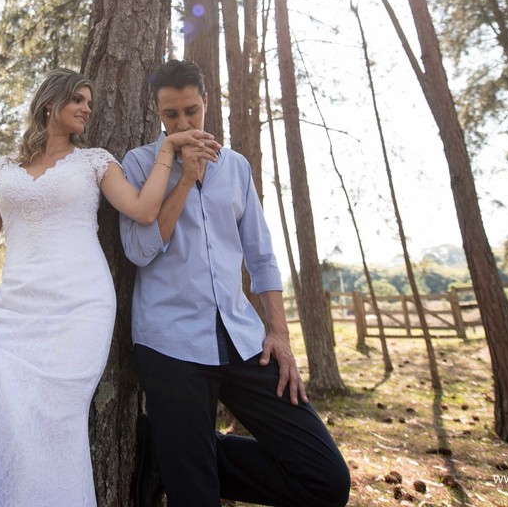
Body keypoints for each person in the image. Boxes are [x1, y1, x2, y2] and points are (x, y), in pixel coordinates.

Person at [0, 68, 218, 507]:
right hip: (13, 308)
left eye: (89, 102)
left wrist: (168, 149)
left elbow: (143, 210)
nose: (87, 109)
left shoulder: (95, 161)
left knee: (53, 420)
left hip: (80, 308)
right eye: (78, 100)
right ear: (50, 103)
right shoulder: (3, 171)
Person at [120, 59, 351, 507]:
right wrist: (184, 179)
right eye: (171, 115)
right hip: (170, 344)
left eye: (191, 111)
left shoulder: (237, 168)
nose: (183, 123)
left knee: (326, 481)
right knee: (195, 498)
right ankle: (180, 457)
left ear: (206, 103)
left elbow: (261, 256)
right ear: (157, 113)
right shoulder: (139, 164)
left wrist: (279, 334)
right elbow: (139, 251)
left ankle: (169, 452)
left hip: (242, 339)